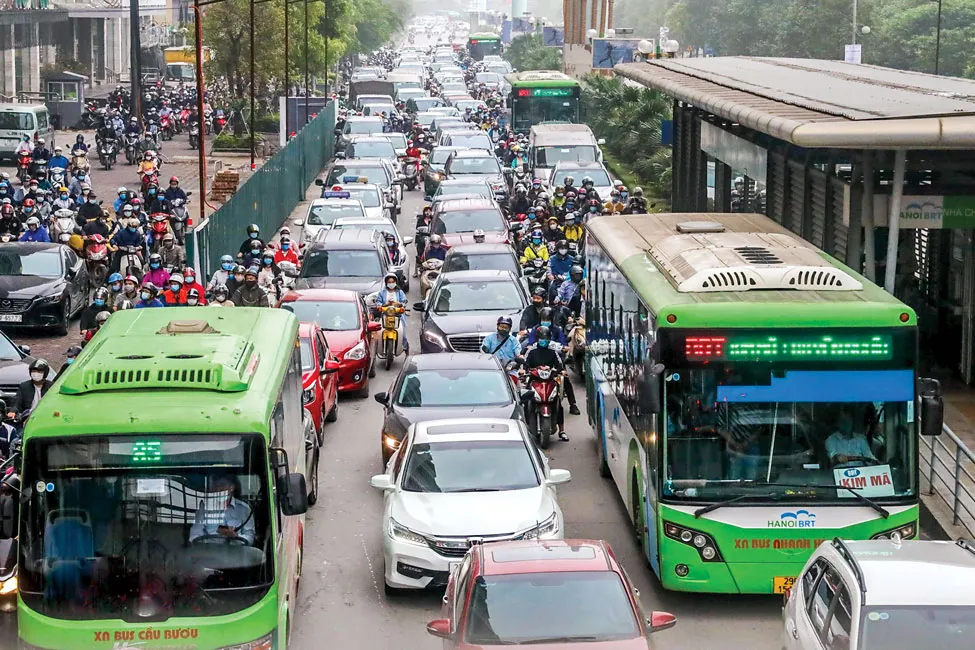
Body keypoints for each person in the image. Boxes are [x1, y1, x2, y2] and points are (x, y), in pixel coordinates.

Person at [523, 309, 580, 415]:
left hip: (552, 360)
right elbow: (530, 343)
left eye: (547, 319)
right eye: (543, 319)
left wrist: (562, 348)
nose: (545, 321)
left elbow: (563, 343)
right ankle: (525, 408)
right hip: (537, 361)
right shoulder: (535, 329)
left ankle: (573, 404)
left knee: (565, 379)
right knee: (526, 383)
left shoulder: (557, 330)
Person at [522, 327, 569, 441]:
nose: (544, 341)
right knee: (524, 401)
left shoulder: (553, 352)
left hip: (549, 382)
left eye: (546, 339)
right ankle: (524, 427)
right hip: (534, 381)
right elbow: (525, 365)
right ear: (538, 339)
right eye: (542, 338)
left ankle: (561, 430)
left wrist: (561, 370)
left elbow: (559, 365)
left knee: (558, 402)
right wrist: (523, 370)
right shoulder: (531, 351)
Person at [189, 475, 255, 545]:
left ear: (231, 487)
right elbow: (194, 536)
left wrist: (235, 536)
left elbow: (250, 539)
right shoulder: (204, 508)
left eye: (222, 485)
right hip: (209, 552)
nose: (218, 489)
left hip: (236, 553)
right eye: (215, 486)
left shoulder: (244, 509)